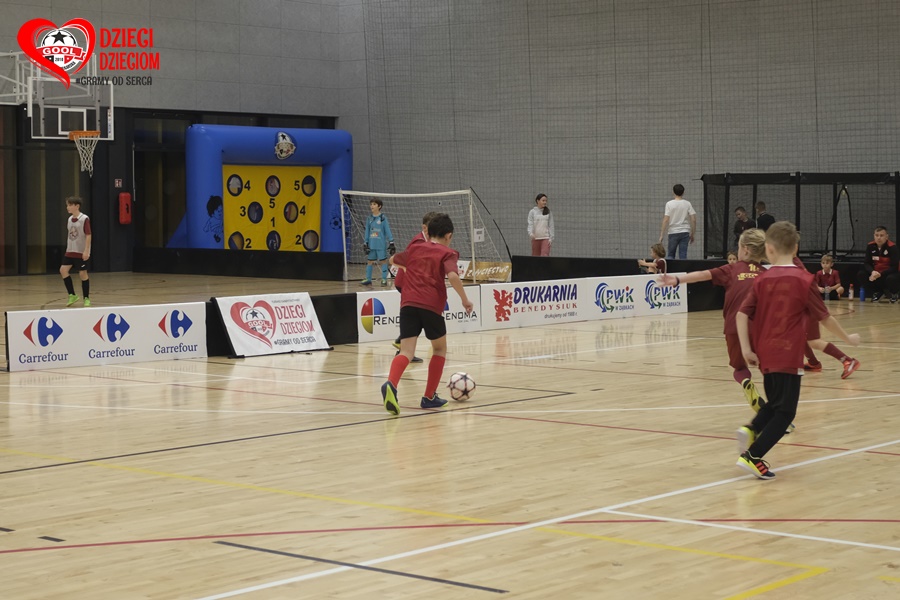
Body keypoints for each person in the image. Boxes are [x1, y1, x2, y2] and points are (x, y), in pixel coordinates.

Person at [735, 221, 860, 480]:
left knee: (776, 403)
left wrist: (746, 349)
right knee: (786, 412)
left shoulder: (761, 279)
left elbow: (741, 314)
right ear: (795, 249)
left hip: (764, 352)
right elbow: (825, 318)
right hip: (787, 353)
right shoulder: (804, 280)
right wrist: (847, 338)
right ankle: (753, 456)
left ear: (768, 249)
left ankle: (752, 429)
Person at [659, 229, 768, 415]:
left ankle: (746, 382)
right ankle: (778, 409)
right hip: (759, 329)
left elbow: (703, 275)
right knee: (769, 369)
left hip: (733, 328)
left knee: (739, 368)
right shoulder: (765, 274)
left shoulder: (731, 269)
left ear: (745, 250)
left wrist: (677, 279)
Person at [381, 213, 474, 415]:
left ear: (428, 232)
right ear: (449, 236)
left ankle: (391, 384)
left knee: (406, 351)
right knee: (439, 349)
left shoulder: (415, 248)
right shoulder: (448, 253)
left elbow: (392, 260)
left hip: (408, 303)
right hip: (431, 305)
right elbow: (452, 276)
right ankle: (429, 396)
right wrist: (465, 300)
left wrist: (411, 267)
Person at [798, 251, 860, 379]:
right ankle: (813, 363)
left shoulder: (800, 274)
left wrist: (847, 338)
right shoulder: (797, 268)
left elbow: (825, 317)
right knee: (801, 337)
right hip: (798, 305)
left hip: (806, 304)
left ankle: (847, 360)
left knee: (813, 341)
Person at [390, 211, 441, 363]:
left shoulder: (427, 241)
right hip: (406, 283)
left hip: (411, 284)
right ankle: (402, 346)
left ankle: (402, 347)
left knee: (416, 318)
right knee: (417, 317)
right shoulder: (418, 242)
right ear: (425, 228)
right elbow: (402, 260)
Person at [60, 196, 92, 307]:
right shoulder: (69, 219)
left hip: (80, 251)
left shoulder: (84, 219)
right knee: (63, 270)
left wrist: (86, 250)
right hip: (70, 250)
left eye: (70, 205)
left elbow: (88, 235)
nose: (67, 207)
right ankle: (72, 295)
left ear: (77, 206)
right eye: (67, 205)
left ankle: (86, 298)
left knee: (83, 274)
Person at [855, 226, 900, 303]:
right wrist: (872, 272)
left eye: (881, 235)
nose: (879, 238)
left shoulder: (892, 247)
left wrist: (881, 274)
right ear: (874, 236)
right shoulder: (870, 246)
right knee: (861, 274)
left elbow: (894, 267)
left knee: (892, 278)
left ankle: (894, 294)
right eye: (877, 235)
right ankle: (878, 292)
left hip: (888, 273)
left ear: (886, 237)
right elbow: (867, 263)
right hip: (876, 273)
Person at [361, 198, 395, 286]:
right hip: (371, 245)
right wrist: (365, 242)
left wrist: (391, 241)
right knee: (370, 261)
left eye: (374, 204)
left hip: (380, 245)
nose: (372, 206)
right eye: (371, 204)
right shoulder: (369, 218)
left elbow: (387, 230)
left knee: (383, 261)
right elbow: (367, 231)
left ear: (379, 206)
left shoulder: (383, 218)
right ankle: (368, 279)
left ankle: (384, 279)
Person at [658, 184, 696, 259]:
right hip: (685, 231)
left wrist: (662, 235)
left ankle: (671, 267)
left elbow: (666, 220)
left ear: (673, 192)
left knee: (671, 255)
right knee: (683, 255)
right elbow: (693, 219)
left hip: (673, 232)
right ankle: (683, 267)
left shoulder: (669, 204)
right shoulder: (687, 203)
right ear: (683, 192)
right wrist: (693, 234)